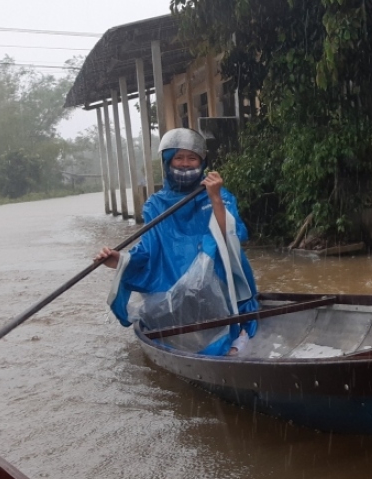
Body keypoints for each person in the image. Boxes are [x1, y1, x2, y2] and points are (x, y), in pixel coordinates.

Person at [95, 128, 259, 356]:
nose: (185, 164)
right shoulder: (156, 205)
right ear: (167, 162)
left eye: (192, 158)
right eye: (178, 158)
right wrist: (118, 259)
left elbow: (230, 236)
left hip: (217, 278)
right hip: (173, 281)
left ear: (202, 162)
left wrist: (215, 198)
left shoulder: (219, 195)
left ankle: (233, 335)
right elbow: (149, 250)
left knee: (218, 255)